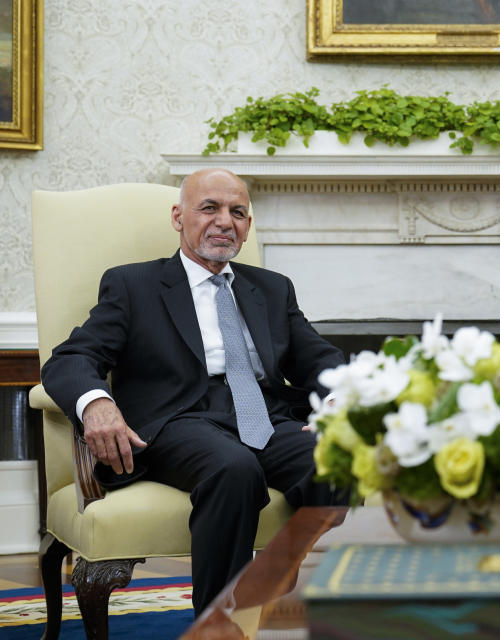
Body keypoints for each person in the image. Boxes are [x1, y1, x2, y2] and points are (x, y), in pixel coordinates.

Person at [40, 168, 347, 614]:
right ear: (178, 217)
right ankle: (217, 621)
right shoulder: (133, 285)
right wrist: (97, 403)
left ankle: (273, 578)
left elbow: (321, 358)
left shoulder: (273, 289)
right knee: (235, 469)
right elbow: (71, 358)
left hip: (264, 417)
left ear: (248, 226)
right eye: (210, 208)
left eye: (238, 212)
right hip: (180, 421)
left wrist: (339, 401)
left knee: (339, 457)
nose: (225, 221)